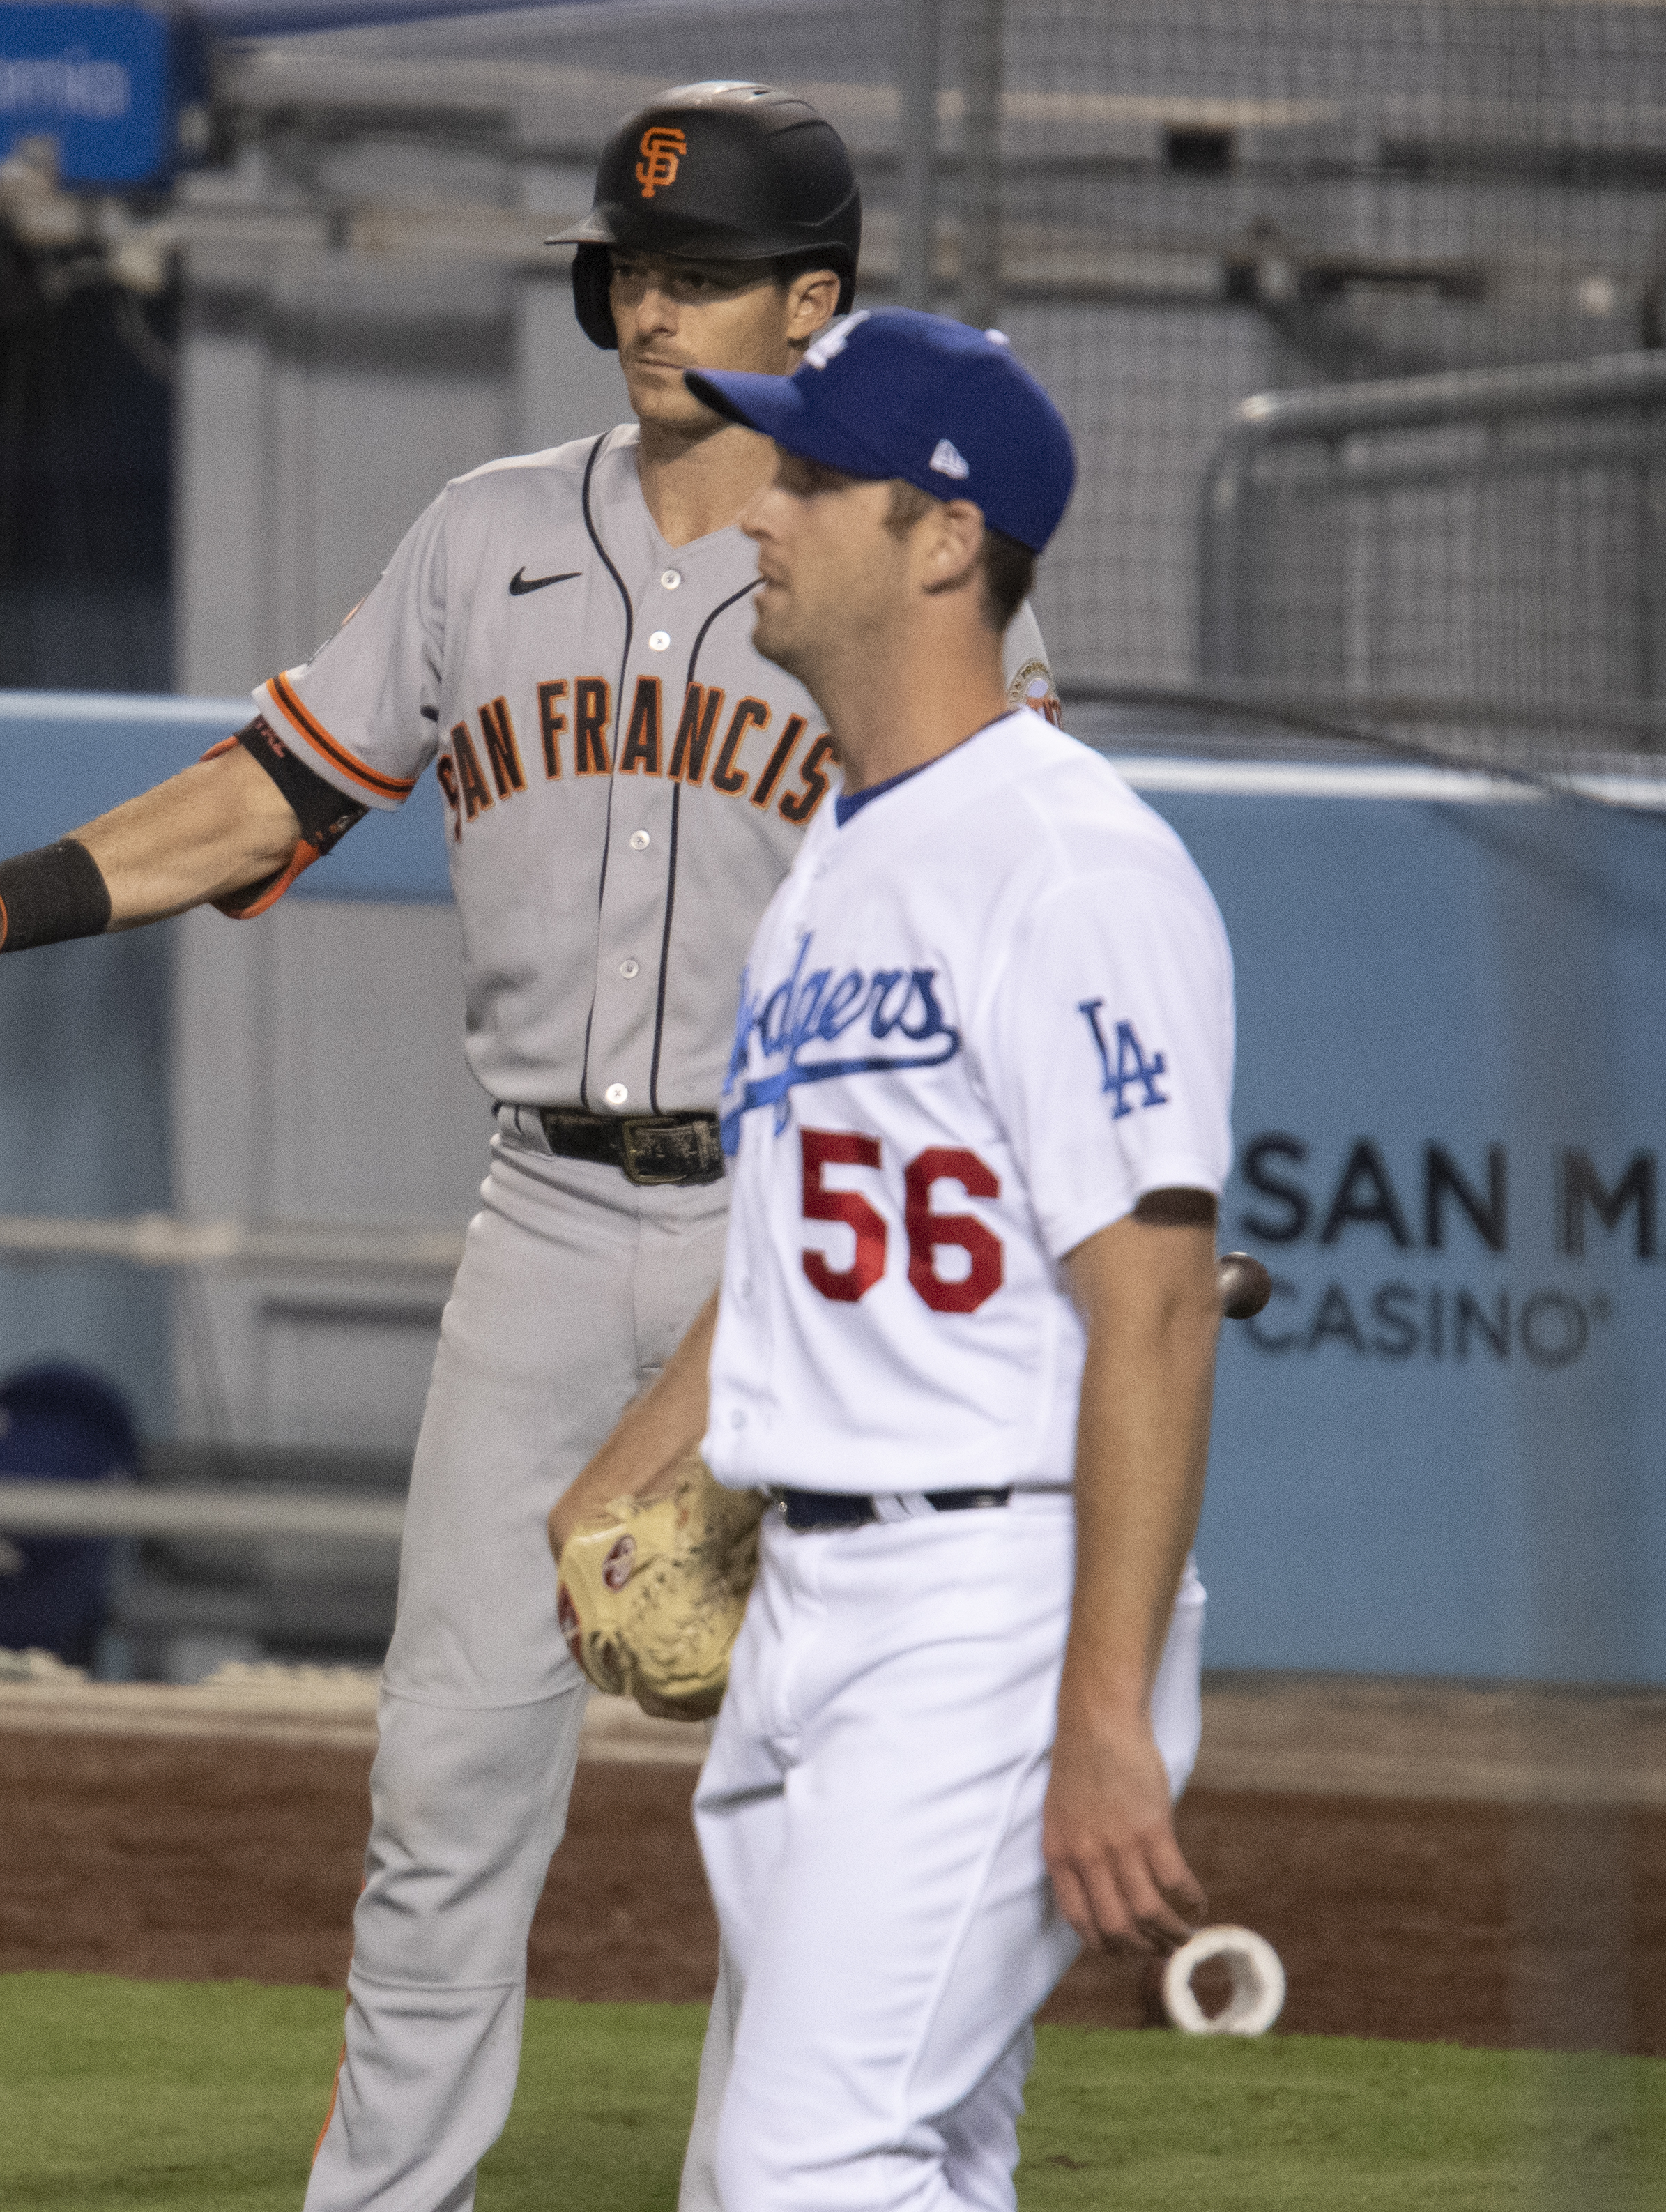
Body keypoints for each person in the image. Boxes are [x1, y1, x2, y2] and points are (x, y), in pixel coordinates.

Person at [0, 84, 1058, 2212]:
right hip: (546, 1222)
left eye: (707, 277)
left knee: (816, 1789)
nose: (655, 309)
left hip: (797, 1239)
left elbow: (1006, 909)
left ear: (814, 302)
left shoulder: (904, 570)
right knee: (449, 1773)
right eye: (634, 270)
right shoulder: (486, 535)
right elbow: (272, 788)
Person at [547, 308, 1233, 2212]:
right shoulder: (845, 848)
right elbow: (792, 1246)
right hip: (819, 1611)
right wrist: (627, 1469)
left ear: (945, 539)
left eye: (814, 475)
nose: (758, 506)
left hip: (990, 1603)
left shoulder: (1068, 863)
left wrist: (1098, 1716)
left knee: (805, 2169)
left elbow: (1157, 1306)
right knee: (893, 2162)